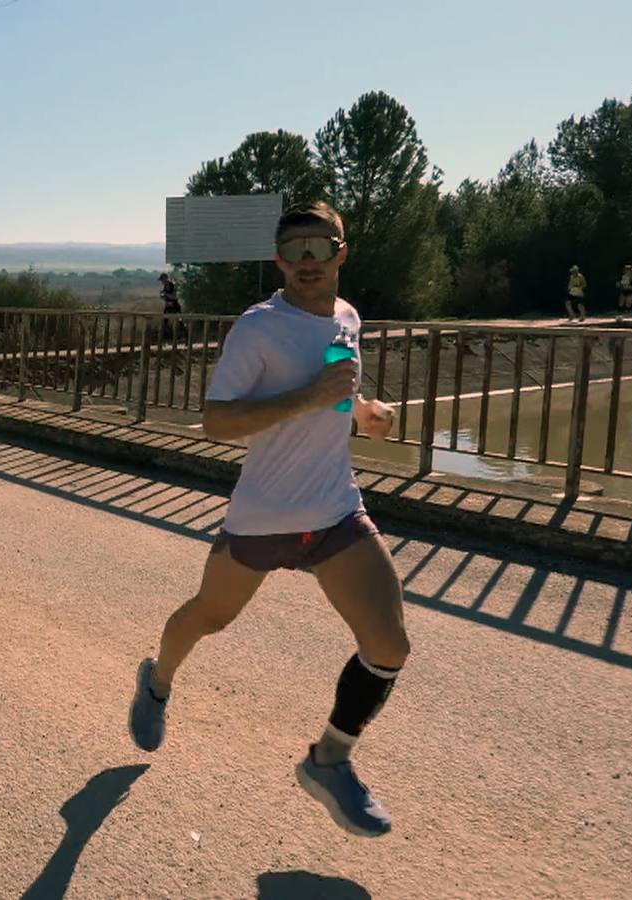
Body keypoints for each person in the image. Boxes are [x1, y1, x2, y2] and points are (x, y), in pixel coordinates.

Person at [126, 201, 409, 839]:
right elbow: (218, 421)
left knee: (389, 642)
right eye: (295, 249)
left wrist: (361, 413)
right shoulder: (258, 328)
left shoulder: (348, 317)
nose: (308, 261)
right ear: (279, 260)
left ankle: (329, 759)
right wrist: (310, 397)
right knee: (208, 616)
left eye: (321, 246)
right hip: (262, 518)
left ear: (342, 252)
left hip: (336, 509)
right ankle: (158, 680)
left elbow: (338, 391)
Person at [159, 271, 184, 340]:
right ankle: (168, 336)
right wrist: (163, 296)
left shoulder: (172, 285)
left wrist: (166, 295)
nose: (162, 282)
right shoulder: (165, 286)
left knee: (180, 321)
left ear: (166, 278)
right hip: (168, 306)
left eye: (162, 280)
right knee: (165, 321)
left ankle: (185, 336)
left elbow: (174, 297)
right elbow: (166, 297)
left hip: (175, 306)